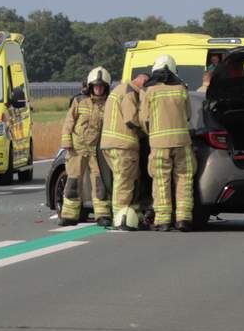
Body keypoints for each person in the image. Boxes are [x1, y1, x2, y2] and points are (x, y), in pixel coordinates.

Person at [142, 54, 195, 231]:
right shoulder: (181, 88)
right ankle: (183, 219)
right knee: (184, 179)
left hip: (158, 144)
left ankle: (163, 220)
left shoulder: (150, 91)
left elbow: (144, 119)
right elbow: (188, 115)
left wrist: (152, 134)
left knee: (160, 180)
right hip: (182, 143)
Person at [58, 67, 111, 226]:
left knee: (100, 182)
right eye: (96, 86)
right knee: (73, 181)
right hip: (78, 148)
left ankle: (102, 215)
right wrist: (66, 142)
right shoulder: (79, 100)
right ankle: (69, 215)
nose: (99, 89)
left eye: (102, 86)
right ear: (90, 86)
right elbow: (69, 122)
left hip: (98, 150)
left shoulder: (109, 103)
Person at [101, 72, 149, 229]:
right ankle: (121, 218)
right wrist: (147, 131)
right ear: (142, 81)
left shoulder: (119, 89)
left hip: (110, 143)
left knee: (124, 179)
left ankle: (133, 216)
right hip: (124, 144)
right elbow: (131, 119)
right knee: (125, 182)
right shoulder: (130, 92)